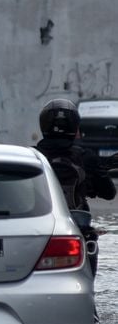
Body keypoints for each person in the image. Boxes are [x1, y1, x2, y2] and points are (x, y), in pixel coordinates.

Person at [35, 98, 116, 275]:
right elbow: (109, 193)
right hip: (78, 230)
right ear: (74, 127)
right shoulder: (86, 157)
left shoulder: (33, 156)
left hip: (36, 229)